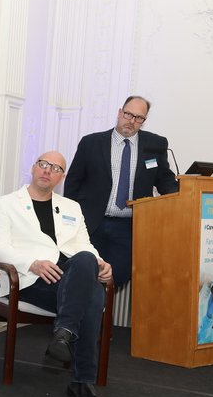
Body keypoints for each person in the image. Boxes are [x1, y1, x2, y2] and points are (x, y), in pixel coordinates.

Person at [0, 151, 113, 397]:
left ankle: (63, 332)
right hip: (29, 277)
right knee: (93, 296)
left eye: (55, 168)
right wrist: (32, 263)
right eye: (43, 164)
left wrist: (102, 263)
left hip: (68, 273)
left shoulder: (71, 207)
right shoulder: (6, 203)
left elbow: (84, 245)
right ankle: (81, 380)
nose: (47, 170)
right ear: (34, 168)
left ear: (61, 177)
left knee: (87, 260)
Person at [63, 95, 178, 288]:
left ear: (144, 121)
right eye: (128, 114)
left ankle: (96, 315)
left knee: (116, 277)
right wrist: (70, 222)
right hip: (91, 225)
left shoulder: (155, 145)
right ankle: (91, 317)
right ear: (119, 113)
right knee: (87, 277)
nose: (131, 121)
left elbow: (164, 180)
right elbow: (73, 185)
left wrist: (182, 195)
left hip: (129, 227)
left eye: (139, 118)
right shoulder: (91, 143)